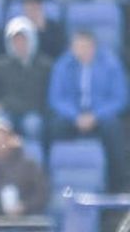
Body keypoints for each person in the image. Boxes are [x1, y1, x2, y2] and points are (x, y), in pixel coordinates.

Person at [47, 30, 129, 189]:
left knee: (113, 128)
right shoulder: (63, 65)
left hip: (101, 117)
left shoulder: (111, 64)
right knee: (56, 127)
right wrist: (75, 116)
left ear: (93, 47)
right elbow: (56, 98)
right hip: (73, 117)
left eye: (85, 47)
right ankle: (60, 183)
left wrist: (96, 116)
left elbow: (120, 99)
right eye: (77, 47)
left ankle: (117, 185)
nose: (81, 51)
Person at [0, 117, 50, 216]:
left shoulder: (29, 165)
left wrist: (25, 206)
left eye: (1, 140)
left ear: (11, 140)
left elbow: (42, 194)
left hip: (26, 222)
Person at [0, 15, 53, 141]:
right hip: (7, 113)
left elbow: (42, 99)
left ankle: (34, 156)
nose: (20, 44)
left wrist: (9, 103)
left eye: (24, 40)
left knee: (33, 124)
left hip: (34, 112)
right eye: (16, 41)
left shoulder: (45, 66)